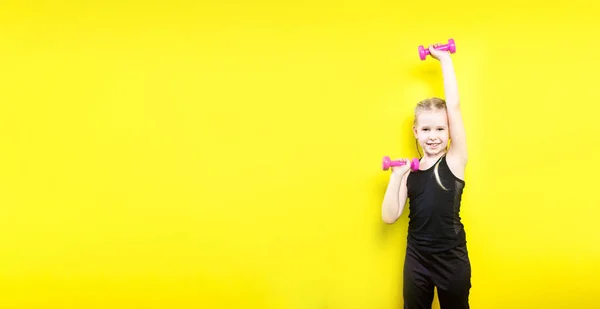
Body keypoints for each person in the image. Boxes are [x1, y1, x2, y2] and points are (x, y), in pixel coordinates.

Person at [381, 43, 471, 309]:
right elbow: (389, 216)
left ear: (449, 132)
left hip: (451, 259)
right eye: (427, 129)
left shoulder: (455, 161)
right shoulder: (410, 170)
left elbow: (453, 107)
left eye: (441, 129)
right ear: (416, 131)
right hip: (417, 258)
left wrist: (444, 59)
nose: (433, 136)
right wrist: (396, 177)